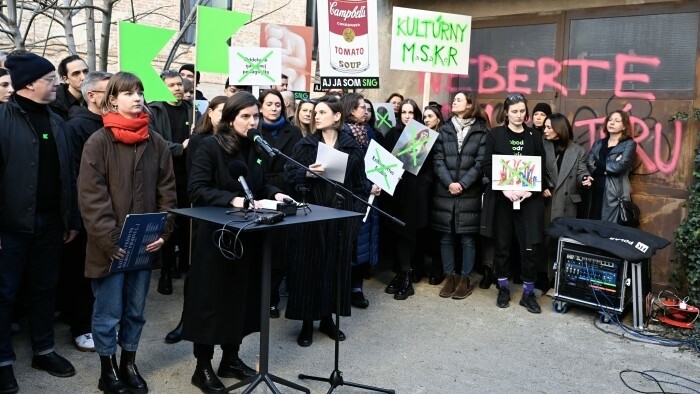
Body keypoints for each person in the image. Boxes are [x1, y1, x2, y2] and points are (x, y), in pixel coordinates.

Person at [183, 92, 290, 392]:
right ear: (230, 119)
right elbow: (197, 189)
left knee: (241, 300)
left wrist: (276, 193)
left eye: (255, 116)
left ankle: (230, 358)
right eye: (246, 116)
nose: (252, 121)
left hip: (249, 236)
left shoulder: (254, 147)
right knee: (212, 302)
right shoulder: (210, 146)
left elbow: (259, 183)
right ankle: (202, 367)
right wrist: (233, 199)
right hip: (217, 238)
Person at [78, 71, 176, 394]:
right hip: (111, 249)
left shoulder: (156, 141)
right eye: (128, 93)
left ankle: (128, 363)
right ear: (112, 100)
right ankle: (108, 371)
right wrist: (110, 239)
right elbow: (91, 197)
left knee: (135, 311)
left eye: (140, 92)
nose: (137, 98)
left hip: (145, 246)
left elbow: (168, 191)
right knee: (108, 313)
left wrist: (165, 229)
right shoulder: (98, 142)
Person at [0, 51, 81, 394]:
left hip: (51, 224)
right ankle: (3, 361)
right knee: (4, 294)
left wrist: (70, 218)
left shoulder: (57, 121)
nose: (55, 85)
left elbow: (69, 175)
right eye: (50, 80)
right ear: (29, 84)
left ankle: (44, 351)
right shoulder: (2, 120)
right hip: (10, 227)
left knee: (45, 288)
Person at [284, 95, 367, 346]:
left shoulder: (351, 147)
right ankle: (307, 323)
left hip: (340, 218)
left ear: (337, 116)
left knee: (334, 268)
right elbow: (289, 176)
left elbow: (359, 185)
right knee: (309, 268)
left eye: (322, 112)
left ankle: (327, 319)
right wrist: (306, 174)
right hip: (310, 215)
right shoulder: (306, 145)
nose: (316, 116)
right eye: (315, 112)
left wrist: (356, 214)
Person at [164, 96, 228, 346]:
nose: (225, 117)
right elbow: (196, 181)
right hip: (202, 214)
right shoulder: (200, 140)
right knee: (196, 273)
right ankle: (186, 321)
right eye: (221, 111)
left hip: (227, 216)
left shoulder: (234, 141)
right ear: (210, 113)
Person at [483, 93, 546, 314]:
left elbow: (541, 168)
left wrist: (530, 191)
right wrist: (505, 189)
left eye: (522, 111)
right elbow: (487, 165)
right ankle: (503, 287)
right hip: (504, 200)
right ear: (507, 113)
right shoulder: (496, 135)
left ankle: (528, 292)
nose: (519, 115)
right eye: (515, 111)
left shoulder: (534, 136)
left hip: (528, 201)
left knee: (529, 246)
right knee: (502, 245)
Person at [62, 71, 112, 353]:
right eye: (110, 91)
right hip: (85, 214)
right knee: (81, 274)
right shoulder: (77, 126)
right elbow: (74, 175)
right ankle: (81, 327)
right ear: (92, 96)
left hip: (108, 213)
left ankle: (99, 321)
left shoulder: (111, 123)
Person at [433, 91, 489, 300]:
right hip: (445, 191)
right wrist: (449, 183)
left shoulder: (481, 131)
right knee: (446, 236)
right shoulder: (444, 129)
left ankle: (464, 279)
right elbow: (438, 159)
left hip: (469, 191)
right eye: (454, 99)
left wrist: (463, 184)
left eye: (458, 99)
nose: (454, 102)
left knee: (467, 238)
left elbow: (480, 163)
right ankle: (450, 277)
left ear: (469, 105)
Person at [382, 98, 434, 298]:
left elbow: (429, 168)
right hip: (395, 193)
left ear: (416, 115)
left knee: (409, 235)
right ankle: (402, 274)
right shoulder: (392, 134)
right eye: (404, 112)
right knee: (397, 233)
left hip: (415, 194)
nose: (406, 116)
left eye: (411, 112)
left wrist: (422, 186)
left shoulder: (423, 135)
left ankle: (406, 276)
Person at [257, 89, 302, 318]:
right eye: (269, 104)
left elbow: (300, 161)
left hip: (285, 192)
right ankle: (257, 296)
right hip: (258, 192)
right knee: (259, 248)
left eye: (278, 104)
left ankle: (272, 298)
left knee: (279, 250)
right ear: (261, 106)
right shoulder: (253, 130)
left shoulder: (293, 132)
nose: (274, 108)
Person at [149, 69, 194, 294]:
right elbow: (154, 141)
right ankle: (165, 271)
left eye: (179, 84)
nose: (178, 88)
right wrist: (180, 147)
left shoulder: (191, 110)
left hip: (188, 176)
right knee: (168, 225)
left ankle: (183, 265)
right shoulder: (154, 110)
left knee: (187, 224)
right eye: (172, 85)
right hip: (165, 177)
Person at [340, 93, 382, 308]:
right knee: (349, 244)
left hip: (370, 199)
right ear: (350, 109)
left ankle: (356, 288)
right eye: (362, 107)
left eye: (367, 108)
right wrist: (367, 185)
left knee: (363, 245)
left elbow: (379, 163)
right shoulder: (342, 135)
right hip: (350, 197)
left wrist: (382, 181)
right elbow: (346, 171)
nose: (366, 111)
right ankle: (341, 289)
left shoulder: (371, 133)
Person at [542, 113, 592, 288]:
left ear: (559, 129)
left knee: (563, 241)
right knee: (546, 239)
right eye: (545, 127)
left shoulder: (577, 150)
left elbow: (581, 171)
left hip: (567, 204)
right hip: (546, 201)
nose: (545, 130)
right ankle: (545, 278)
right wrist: (541, 187)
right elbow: (534, 170)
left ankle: (560, 280)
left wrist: (585, 178)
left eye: (549, 127)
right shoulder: (542, 145)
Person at [586, 110, 637, 222]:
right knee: (593, 226)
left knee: (609, 231)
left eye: (617, 121)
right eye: (610, 120)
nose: (612, 123)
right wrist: (607, 168)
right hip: (595, 191)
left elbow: (619, 166)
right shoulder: (598, 143)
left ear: (624, 127)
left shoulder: (629, 144)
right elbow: (588, 162)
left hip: (614, 195)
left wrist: (597, 163)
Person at [51, 55, 89, 120]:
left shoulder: (95, 98)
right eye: (76, 74)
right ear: (66, 79)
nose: (84, 77)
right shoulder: (54, 104)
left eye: (85, 71)